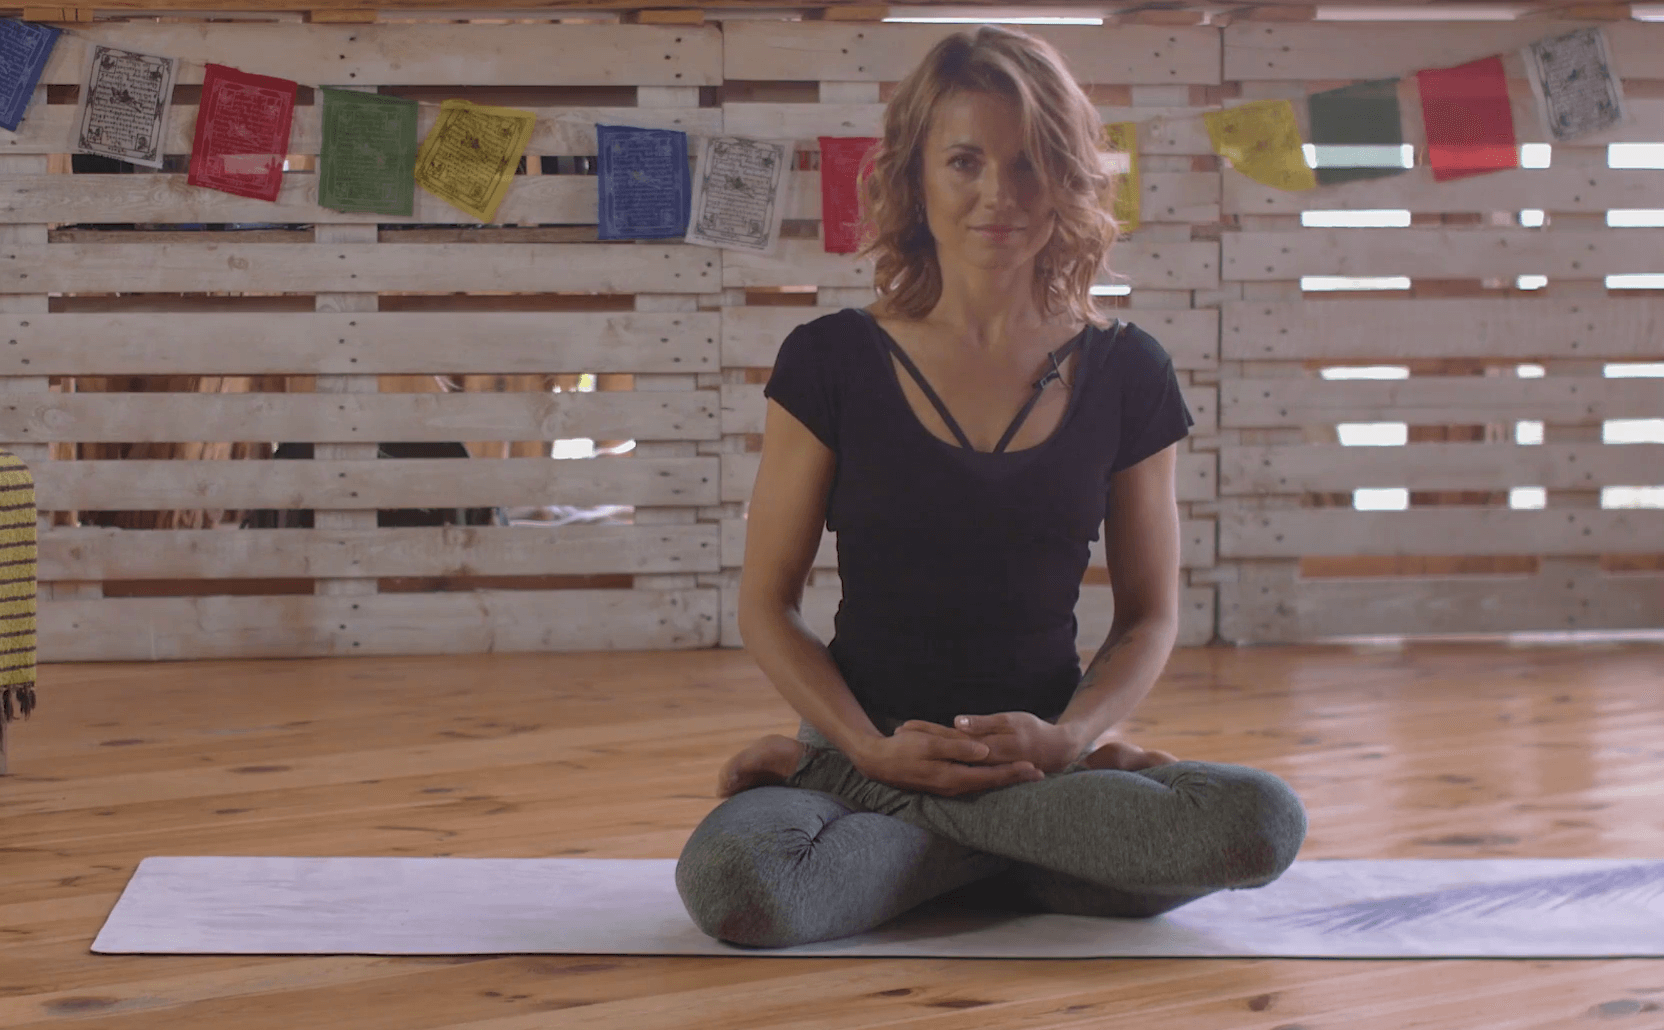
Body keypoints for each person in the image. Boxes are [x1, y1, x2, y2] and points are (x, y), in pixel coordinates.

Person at [675, 25, 1308, 949]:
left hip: (1041, 756)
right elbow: (767, 605)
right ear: (915, 176)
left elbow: (1149, 618)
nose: (998, 195)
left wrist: (1071, 739)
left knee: (1262, 822)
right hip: (869, 740)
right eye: (965, 161)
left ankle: (893, 824)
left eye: (1030, 163)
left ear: (1069, 178)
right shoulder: (829, 360)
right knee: (739, 882)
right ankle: (1035, 848)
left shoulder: (1129, 370)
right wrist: (864, 749)